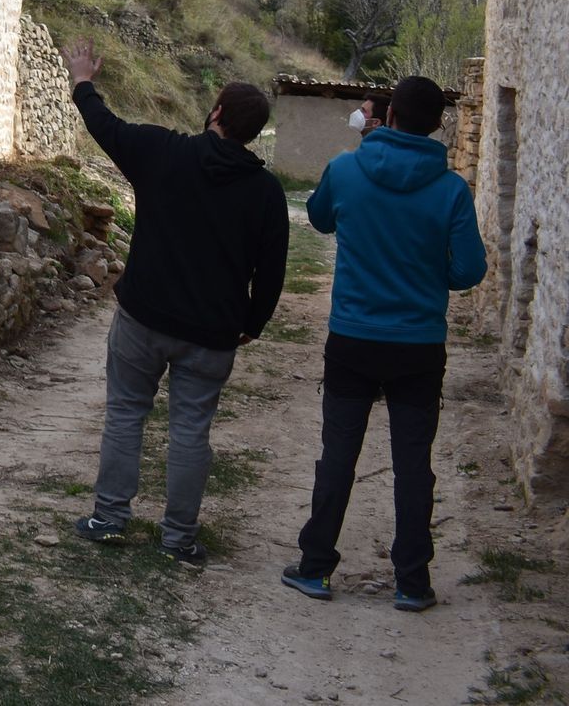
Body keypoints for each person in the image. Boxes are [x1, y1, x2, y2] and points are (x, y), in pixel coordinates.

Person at [63, 38, 289, 566]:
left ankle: (110, 519)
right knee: (191, 431)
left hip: (143, 317)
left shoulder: (164, 152)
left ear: (215, 114)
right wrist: (252, 324)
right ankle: (178, 538)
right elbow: (272, 272)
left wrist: (82, 81)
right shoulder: (266, 193)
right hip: (212, 333)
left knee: (125, 415)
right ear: (254, 133)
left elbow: (105, 127)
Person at [282, 75, 485, 612]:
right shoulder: (451, 190)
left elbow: (321, 219)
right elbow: (468, 271)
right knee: (413, 464)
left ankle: (316, 568)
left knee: (338, 457)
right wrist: (423, 269)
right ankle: (412, 582)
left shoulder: (348, 169)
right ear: (439, 125)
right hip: (418, 346)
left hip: (353, 337)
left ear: (387, 115)